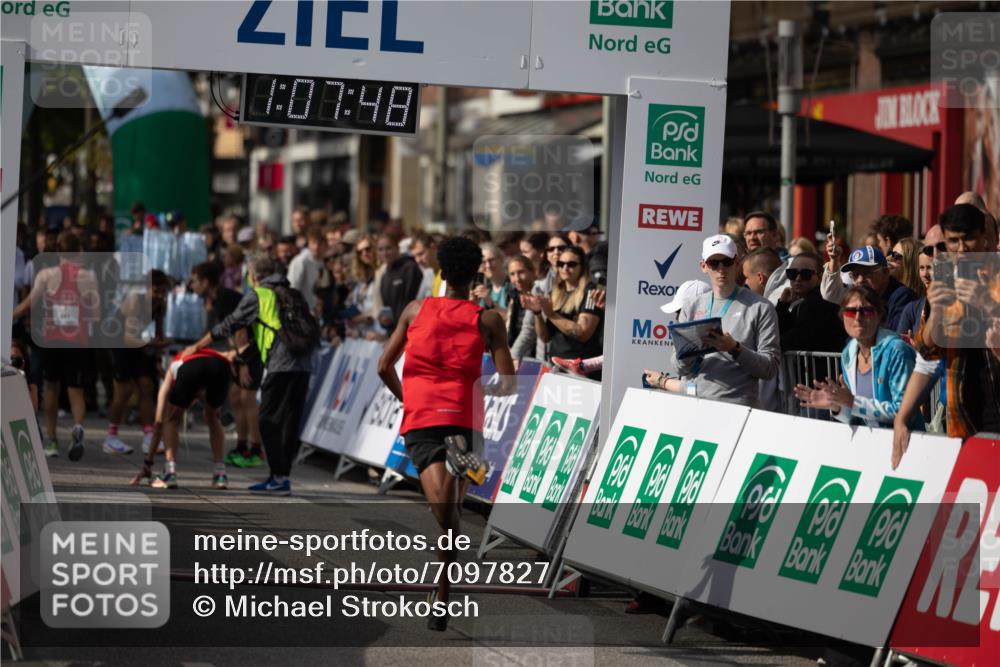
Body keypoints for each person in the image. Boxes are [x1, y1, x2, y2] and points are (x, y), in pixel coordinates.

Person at [377, 237, 515, 631]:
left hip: (422, 421)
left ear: (440, 272)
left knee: (444, 514)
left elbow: (384, 367)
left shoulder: (416, 310)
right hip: (462, 420)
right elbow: (507, 384)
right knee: (450, 513)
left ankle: (441, 593)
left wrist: (411, 399)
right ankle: (442, 592)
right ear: (476, 275)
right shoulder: (488, 319)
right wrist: (473, 387)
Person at [182, 254, 316, 496]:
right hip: (304, 363)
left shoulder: (259, 295)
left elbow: (230, 324)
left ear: (253, 276)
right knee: (290, 421)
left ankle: (277, 477)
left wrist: (198, 346)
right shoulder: (294, 293)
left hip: (281, 363)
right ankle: (282, 477)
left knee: (267, 419)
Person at [660, 235, 781, 408]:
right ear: (704, 266)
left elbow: (769, 369)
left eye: (726, 262)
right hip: (696, 404)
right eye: (714, 263)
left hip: (740, 406)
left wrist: (735, 349)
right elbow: (678, 367)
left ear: (737, 262)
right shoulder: (691, 306)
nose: (721, 269)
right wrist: (690, 351)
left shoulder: (761, 307)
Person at [12, 231, 101, 461]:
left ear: (59, 250)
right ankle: (78, 426)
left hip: (51, 339)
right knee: (76, 390)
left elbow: (28, 304)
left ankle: (51, 440)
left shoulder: (47, 274)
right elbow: (97, 313)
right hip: (77, 340)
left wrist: (8, 315)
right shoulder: (88, 277)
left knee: (51, 388)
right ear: (78, 251)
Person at [794, 286, 921, 430]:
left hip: (907, 444)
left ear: (879, 315)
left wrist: (853, 402)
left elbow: (904, 412)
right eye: (850, 311)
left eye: (866, 311)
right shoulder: (848, 353)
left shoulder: (897, 351)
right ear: (842, 316)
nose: (858, 317)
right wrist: (837, 405)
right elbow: (855, 416)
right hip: (869, 444)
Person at [132, 347, 233, 489]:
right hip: (221, 366)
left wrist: (148, 464)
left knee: (171, 420)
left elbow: (159, 423)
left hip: (193, 368)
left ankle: (170, 472)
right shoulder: (191, 360)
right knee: (213, 418)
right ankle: (220, 474)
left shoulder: (171, 372)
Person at [102, 269, 170, 456]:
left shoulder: (160, 305)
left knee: (147, 386)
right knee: (124, 392)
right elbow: (127, 337)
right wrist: (152, 343)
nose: (160, 295)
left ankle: (149, 437)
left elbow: (159, 333)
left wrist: (157, 359)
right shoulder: (135, 301)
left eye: (163, 291)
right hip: (120, 343)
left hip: (139, 344)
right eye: (156, 291)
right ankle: (111, 437)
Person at [524, 246, 604, 379]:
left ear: (582, 267)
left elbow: (582, 333)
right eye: (560, 264)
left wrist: (552, 315)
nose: (565, 268)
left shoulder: (591, 291)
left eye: (571, 264)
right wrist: (537, 313)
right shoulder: (556, 292)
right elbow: (545, 337)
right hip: (556, 367)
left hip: (582, 370)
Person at [833, 245, 917, 331]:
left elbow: (895, 338)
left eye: (867, 273)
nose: (860, 280)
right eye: (855, 275)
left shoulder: (902, 297)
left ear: (885, 273)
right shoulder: (860, 299)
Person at [776, 252, 846, 352]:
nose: (798, 278)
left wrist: (768, 345)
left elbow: (796, 339)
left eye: (806, 274)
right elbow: (780, 330)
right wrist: (783, 304)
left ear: (820, 278)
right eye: (792, 273)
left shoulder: (822, 304)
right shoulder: (800, 305)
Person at [375, 233, 424, 333]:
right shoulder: (384, 276)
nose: (385, 253)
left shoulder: (410, 268)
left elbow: (411, 302)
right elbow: (387, 308)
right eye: (380, 249)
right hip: (394, 333)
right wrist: (383, 321)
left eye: (388, 248)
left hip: (411, 331)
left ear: (397, 248)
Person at [505, 255, 538, 367]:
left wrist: (512, 356)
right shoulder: (513, 296)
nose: (517, 278)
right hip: (517, 355)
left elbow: (529, 331)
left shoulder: (538, 293)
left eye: (521, 272)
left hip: (533, 358)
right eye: (512, 274)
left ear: (532, 271)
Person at [897, 243, 935, 337]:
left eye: (930, 267)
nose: (925, 274)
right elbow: (899, 344)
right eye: (921, 268)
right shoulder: (912, 309)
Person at [287, 225, 326, 312]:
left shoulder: (322, 261)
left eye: (319, 243)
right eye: (313, 243)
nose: (316, 247)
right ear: (308, 243)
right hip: (302, 313)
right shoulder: (300, 261)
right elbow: (292, 289)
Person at [473, 242, 510, 318]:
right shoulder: (485, 287)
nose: (488, 265)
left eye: (491, 260)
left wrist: (491, 303)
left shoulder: (512, 285)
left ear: (501, 259)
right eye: (483, 262)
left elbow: (513, 319)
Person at [411, 233, 443, 298]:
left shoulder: (450, 272)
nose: (417, 260)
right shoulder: (428, 273)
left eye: (420, 254)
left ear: (433, 247)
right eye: (415, 256)